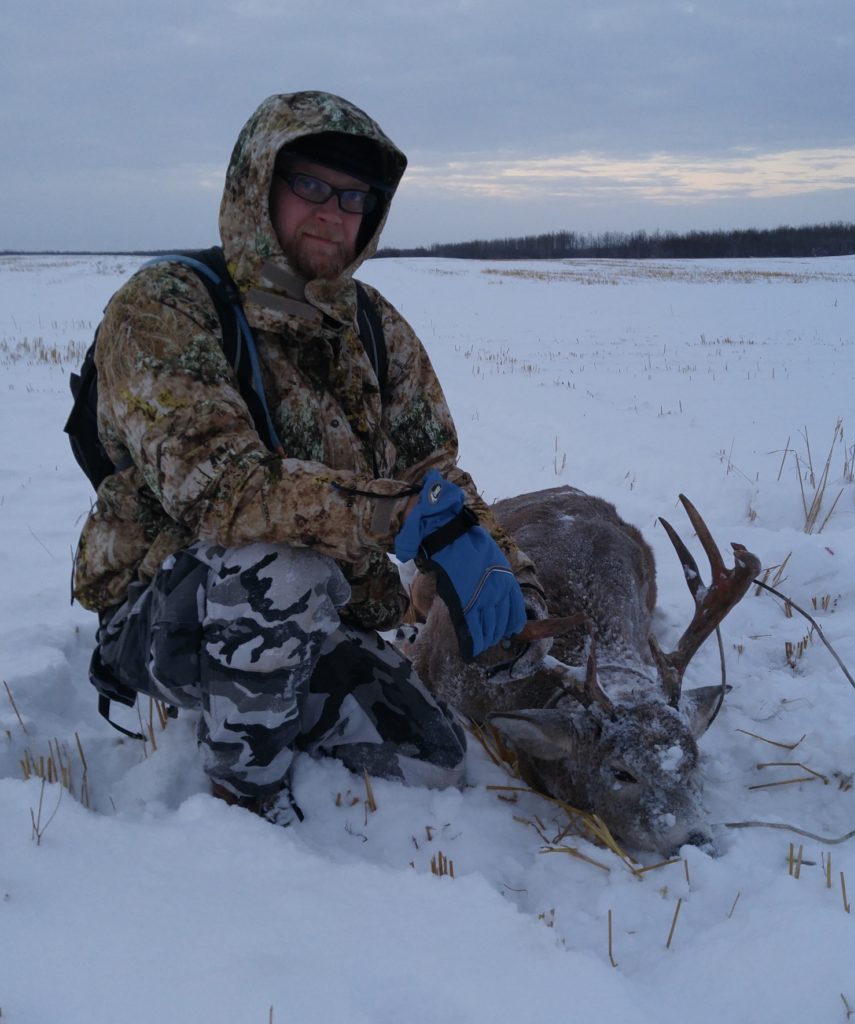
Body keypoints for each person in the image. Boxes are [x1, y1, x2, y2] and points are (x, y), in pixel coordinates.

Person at [73, 91, 547, 825]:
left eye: (354, 196)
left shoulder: (375, 325)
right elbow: (222, 493)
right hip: (166, 606)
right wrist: (396, 518)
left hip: (318, 610)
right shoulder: (166, 305)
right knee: (283, 563)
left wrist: (507, 581)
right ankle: (243, 798)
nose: (332, 211)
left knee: (434, 759)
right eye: (310, 185)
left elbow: (434, 477)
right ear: (257, 183)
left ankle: (272, 704)